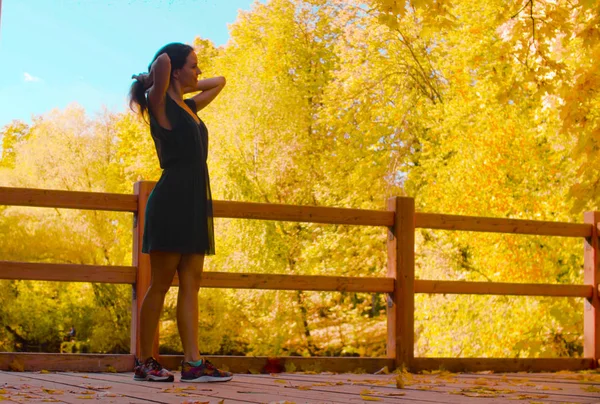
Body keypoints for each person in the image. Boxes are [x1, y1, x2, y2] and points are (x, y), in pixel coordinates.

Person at [129, 42, 231, 383]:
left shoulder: (188, 107)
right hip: (171, 201)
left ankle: (193, 363)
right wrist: (154, 80)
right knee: (160, 284)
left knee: (192, 284)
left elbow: (221, 81)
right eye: (193, 65)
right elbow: (160, 60)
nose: (199, 71)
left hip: (193, 201)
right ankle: (145, 361)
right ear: (174, 71)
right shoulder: (158, 104)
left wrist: (185, 80)